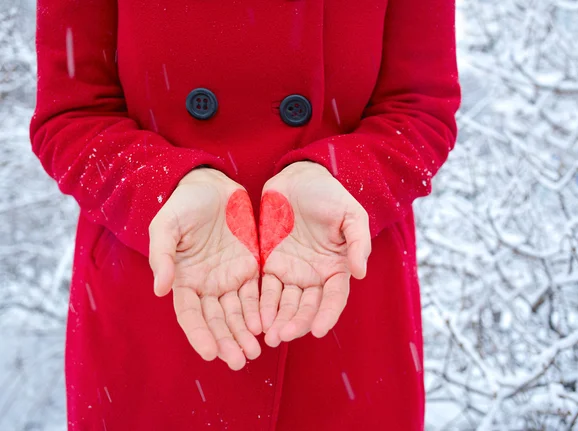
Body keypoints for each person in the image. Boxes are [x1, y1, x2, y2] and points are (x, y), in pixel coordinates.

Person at [29, 0, 461, 429]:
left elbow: (421, 110)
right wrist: (161, 186)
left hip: (337, 278)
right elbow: (70, 115)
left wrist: (345, 176)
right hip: (161, 283)